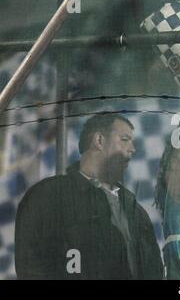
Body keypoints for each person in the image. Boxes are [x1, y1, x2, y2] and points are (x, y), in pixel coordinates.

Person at [15, 113, 164, 279]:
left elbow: (154, 268)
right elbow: (31, 266)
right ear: (99, 140)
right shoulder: (49, 196)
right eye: (124, 139)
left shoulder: (135, 210)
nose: (132, 148)